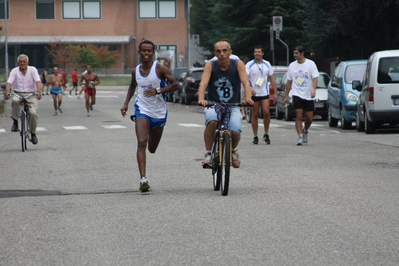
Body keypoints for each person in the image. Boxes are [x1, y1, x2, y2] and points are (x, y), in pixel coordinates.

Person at [120, 40, 178, 192]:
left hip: (158, 113)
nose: (146, 53)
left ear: (153, 53)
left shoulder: (159, 69)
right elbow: (133, 85)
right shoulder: (135, 71)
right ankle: (143, 179)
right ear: (139, 52)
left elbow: (176, 85)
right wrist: (126, 103)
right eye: (143, 50)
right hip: (142, 109)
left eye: (149, 51)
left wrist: (158, 91)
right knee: (141, 142)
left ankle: (144, 172)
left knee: (151, 148)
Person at [198, 40, 253, 168]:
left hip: (233, 104)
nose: (222, 54)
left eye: (224, 51)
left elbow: (245, 83)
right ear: (215, 53)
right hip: (214, 104)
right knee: (212, 121)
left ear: (230, 52)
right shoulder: (210, 65)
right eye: (218, 51)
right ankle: (208, 153)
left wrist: (248, 98)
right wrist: (202, 99)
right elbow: (203, 84)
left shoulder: (238, 64)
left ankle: (233, 150)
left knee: (235, 129)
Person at [284, 45, 319, 145]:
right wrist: (286, 95)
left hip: (308, 94)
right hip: (296, 93)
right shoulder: (292, 66)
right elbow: (289, 81)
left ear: (302, 53)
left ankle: (305, 130)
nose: (294, 55)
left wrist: (314, 90)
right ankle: (299, 136)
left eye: (296, 53)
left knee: (309, 118)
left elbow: (315, 78)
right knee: (298, 115)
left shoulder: (311, 64)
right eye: (294, 53)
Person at [5, 54, 42, 144]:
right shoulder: (14, 71)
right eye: (20, 61)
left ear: (27, 62)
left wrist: (39, 92)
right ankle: (15, 122)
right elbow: (9, 82)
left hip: (30, 94)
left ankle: (33, 134)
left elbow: (38, 81)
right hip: (18, 93)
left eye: (24, 61)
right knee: (14, 100)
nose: (22, 63)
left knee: (32, 113)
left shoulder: (32, 70)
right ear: (18, 63)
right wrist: (7, 91)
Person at [245, 45, 278, 145]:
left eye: (259, 52)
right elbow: (245, 78)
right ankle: (255, 136)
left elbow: (272, 78)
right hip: (254, 92)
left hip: (264, 92)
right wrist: (250, 89)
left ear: (262, 53)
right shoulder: (249, 64)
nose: (257, 54)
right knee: (255, 114)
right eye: (255, 52)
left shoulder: (267, 64)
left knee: (266, 112)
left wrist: (275, 92)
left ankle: (266, 133)